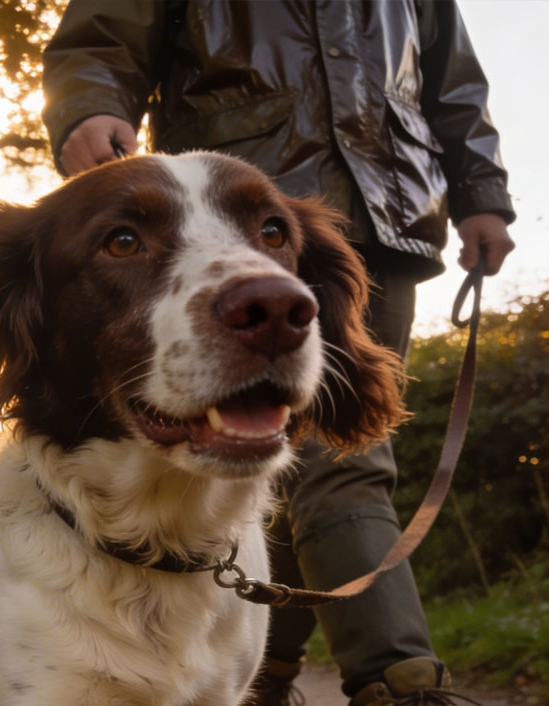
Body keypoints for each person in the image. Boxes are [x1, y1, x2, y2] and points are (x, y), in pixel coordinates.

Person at [41, 2, 515, 705]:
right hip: (229, 212)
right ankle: (399, 680)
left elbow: (451, 82)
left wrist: (482, 193)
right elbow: (103, 32)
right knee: (329, 461)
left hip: (386, 215)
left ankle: (265, 680)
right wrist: (89, 106)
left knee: (289, 445)